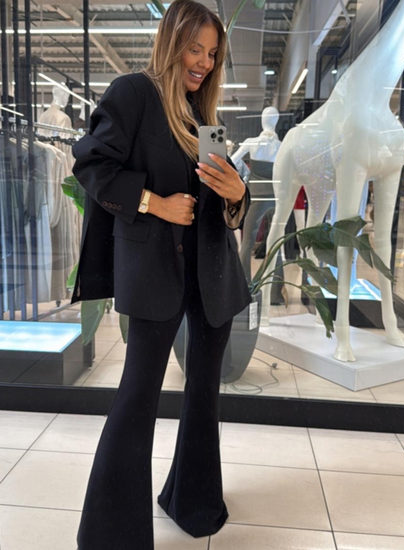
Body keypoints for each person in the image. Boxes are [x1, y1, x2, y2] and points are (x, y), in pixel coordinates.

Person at [71, 1, 251, 548]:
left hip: (211, 274)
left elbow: (222, 200)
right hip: (154, 272)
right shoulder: (133, 94)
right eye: (195, 49)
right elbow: (92, 164)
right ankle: (111, 536)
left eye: (212, 54)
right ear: (171, 41)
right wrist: (155, 202)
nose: (203, 63)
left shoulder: (203, 115)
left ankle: (193, 501)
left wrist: (237, 194)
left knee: (204, 395)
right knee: (137, 398)